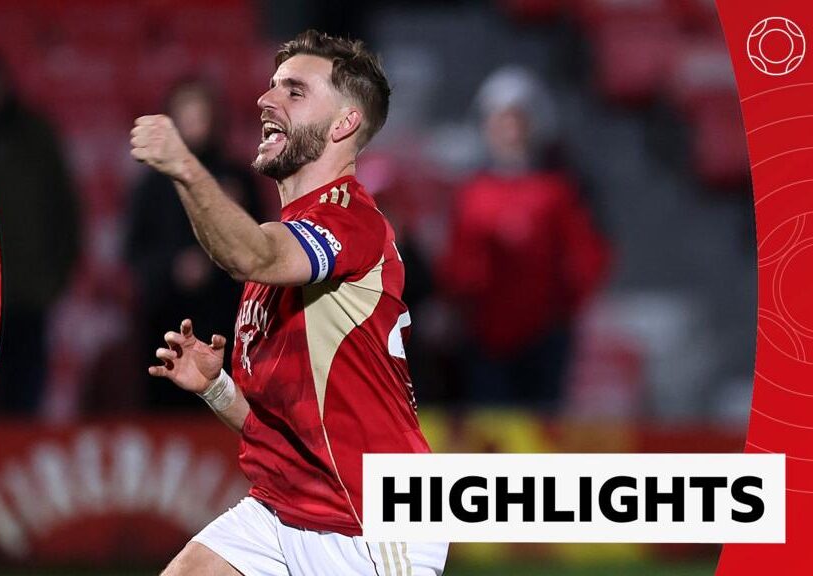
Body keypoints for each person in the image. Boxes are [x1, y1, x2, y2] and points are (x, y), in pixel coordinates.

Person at [129, 30, 448, 575]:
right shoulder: (291, 243)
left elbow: (248, 254)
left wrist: (186, 167)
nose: (264, 100)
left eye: (294, 92)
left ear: (343, 124)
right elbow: (281, 432)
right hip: (282, 511)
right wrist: (215, 386)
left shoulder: (348, 220)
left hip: (368, 526)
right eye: (273, 86)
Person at [438, 66, 610, 411]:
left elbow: (585, 259)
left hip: (544, 338)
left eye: (518, 120)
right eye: (502, 120)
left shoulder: (557, 193)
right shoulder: (472, 194)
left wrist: (564, 310)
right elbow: (457, 265)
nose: (510, 130)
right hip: (485, 340)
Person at [0, 48, 81, 417]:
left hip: (27, 294)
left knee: (25, 400)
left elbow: (64, 210)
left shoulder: (36, 136)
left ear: (0, 85)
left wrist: (54, 277)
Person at [124, 79, 265, 410]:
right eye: (187, 115)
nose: (195, 124)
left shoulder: (238, 178)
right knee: (167, 406)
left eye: (201, 115)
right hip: (165, 318)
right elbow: (134, 251)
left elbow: (261, 246)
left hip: (226, 314)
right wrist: (173, 268)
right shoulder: (152, 183)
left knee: (229, 403)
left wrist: (217, 268)